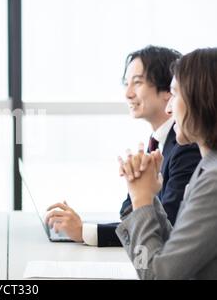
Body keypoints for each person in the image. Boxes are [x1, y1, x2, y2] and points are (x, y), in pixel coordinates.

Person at [45, 46, 201, 246]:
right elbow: (130, 212)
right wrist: (138, 193)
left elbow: (166, 229)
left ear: (167, 91)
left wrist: (85, 231)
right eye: (126, 84)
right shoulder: (160, 140)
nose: (127, 94)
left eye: (137, 83)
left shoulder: (187, 147)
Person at [117, 48, 217, 279]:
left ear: (201, 99)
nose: (169, 108)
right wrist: (148, 196)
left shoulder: (212, 180)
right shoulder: (207, 166)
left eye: (175, 94)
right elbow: (174, 250)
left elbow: (155, 275)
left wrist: (141, 202)